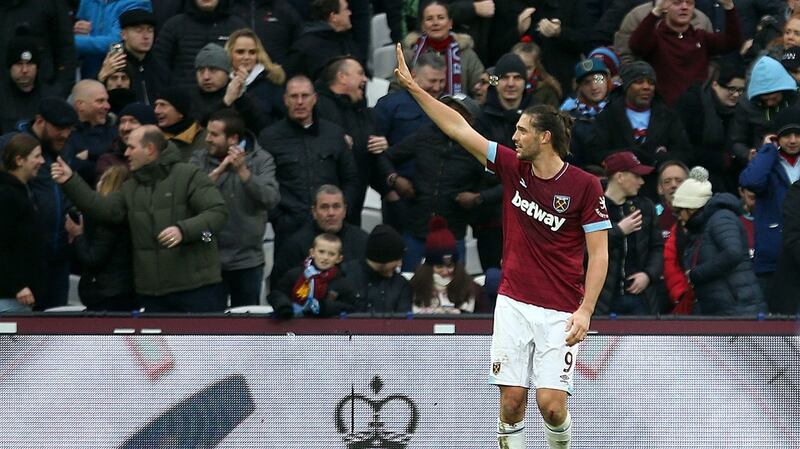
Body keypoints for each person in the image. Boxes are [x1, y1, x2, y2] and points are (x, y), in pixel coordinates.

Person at [394, 43, 611, 449]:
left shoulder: (584, 185)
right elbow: (459, 128)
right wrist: (413, 89)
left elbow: (599, 254)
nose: (514, 136)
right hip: (513, 301)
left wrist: (586, 310)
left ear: (544, 137)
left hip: (561, 308)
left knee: (551, 406)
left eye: (522, 131)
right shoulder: (513, 166)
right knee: (512, 402)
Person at [50, 125, 230, 313]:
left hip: (197, 289)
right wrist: (70, 181)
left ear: (150, 149)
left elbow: (218, 213)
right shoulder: (131, 187)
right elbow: (104, 210)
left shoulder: (189, 176)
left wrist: (183, 231)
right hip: (152, 295)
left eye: (132, 147)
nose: (126, 153)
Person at [191, 108, 280, 307]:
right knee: (211, 322)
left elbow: (270, 198)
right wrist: (221, 169)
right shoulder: (199, 159)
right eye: (208, 133)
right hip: (208, 253)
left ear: (232, 139)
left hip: (247, 258)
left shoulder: (261, 160)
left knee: (245, 322)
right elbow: (190, 196)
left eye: (214, 135)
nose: (207, 139)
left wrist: (243, 172)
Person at [258, 75, 360, 248]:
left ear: (314, 99)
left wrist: (340, 212)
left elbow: (350, 178)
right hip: (289, 229)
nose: (299, 102)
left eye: (305, 96)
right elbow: (262, 184)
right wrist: (280, 219)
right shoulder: (269, 138)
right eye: (294, 96)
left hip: (332, 230)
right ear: (285, 100)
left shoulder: (334, 134)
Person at [672, 166, 765, 315]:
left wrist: (696, 274)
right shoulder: (700, 227)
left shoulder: (721, 218)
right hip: (723, 308)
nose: (678, 217)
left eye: (679, 211)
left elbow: (733, 253)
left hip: (739, 309)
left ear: (691, 207)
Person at [738, 106, 800, 303]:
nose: (792, 140)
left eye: (797, 134)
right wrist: (767, 150)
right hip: (773, 260)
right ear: (776, 137)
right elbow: (751, 181)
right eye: (786, 135)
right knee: (776, 327)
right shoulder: (769, 162)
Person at [629, 0, 742, 106]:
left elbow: (733, 42)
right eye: (677, 3)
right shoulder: (656, 38)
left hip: (699, 110)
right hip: (664, 111)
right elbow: (636, 46)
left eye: (689, 3)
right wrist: (656, 12)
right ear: (666, 7)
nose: (684, 7)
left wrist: (729, 7)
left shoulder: (701, 37)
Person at [596, 151, 664, 316]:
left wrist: (648, 275)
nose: (641, 181)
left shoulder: (646, 207)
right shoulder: (594, 207)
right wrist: (618, 231)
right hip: (603, 299)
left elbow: (657, 248)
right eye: (636, 176)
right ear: (619, 177)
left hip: (640, 298)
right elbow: (583, 250)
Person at [65, 165, 137, 312]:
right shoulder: (127, 213)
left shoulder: (108, 220)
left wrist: (78, 234)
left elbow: (93, 258)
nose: (97, 183)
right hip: (119, 290)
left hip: (108, 295)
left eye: (102, 179)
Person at [271, 184, 368, 284]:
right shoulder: (295, 245)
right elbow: (278, 290)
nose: (331, 213)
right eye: (324, 207)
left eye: (336, 206)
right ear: (314, 212)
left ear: (344, 211)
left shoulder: (362, 241)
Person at [153, 0, 247, 89]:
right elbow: (158, 66)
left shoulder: (237, 27)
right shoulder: (174, 26)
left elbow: (250, 63)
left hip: (228, 100)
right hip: (184, 101)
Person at [0, 133, 45, 313]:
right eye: (37, 156)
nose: (42, 161)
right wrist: (17, 285)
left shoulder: (23, 192)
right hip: (10, 298)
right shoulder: (7, 196)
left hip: (21, 296)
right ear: (19, 160)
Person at [409, 216, 489, 314]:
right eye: (439, 267)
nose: (446, 271)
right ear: (428, 267)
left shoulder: (473, 289)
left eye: (450, 266)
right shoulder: (414, 288)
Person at [405, 0, 484, 97]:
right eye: (429, 19)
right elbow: (396, 87)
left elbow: (481, 88)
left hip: (456, 110)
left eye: (441, 18)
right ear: (423, 26)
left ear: (450, 23)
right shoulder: (410, 53)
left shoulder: (466, 54)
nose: (435, 23)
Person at [269, 233, 356, 318]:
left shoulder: (342, 282)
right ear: (312, 253)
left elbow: (350, 306)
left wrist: (324, 307)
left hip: (325, 327)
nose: (325, 257)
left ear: (339, 259)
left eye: (331, 254)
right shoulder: (295, 275)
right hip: (292, 322)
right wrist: (285, 307)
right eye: (321, 252)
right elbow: (277, 293)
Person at [96, 8, 167, 105]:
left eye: (150, 30)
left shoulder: (159, 62)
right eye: (139, 30)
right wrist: (100, 79)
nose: (146, 36)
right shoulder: (114, 61)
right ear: (124, 34)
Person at [340, 224, 412, 314]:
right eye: (396, 259)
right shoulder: (344, 275)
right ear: (382, 258)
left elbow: (403, 322)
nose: (399, 264)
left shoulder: (401, 285)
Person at [284, 0, 362, 79]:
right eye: (346, 9)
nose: (350, 13)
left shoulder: (347, 41)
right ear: (333, 16)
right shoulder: (305, 47)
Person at [225, 28, 287, 126]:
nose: (246, 57)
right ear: (230, 54)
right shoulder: (221, 82)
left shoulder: (271, 84)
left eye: (252, 52)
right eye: (240, 52)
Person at [560, 58, 613, 168]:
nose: (594, 87)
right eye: (586, 82)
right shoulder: (569, 117)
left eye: (598, 79)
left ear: (607, 79)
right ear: (580, 87)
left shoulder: (618, 108)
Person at [511, 41, 562, 108]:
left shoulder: (546, 92)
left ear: (536, 66)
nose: (522, 71)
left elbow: (552, 117)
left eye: (528, 68)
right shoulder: (504, 86)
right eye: (519, 66)